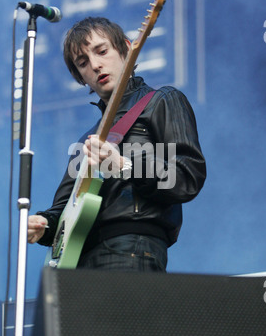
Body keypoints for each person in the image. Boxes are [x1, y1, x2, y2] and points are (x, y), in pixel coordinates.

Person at [27, 16, 206, 272]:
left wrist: (126, 166)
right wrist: (42, 224)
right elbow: (65, 209)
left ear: (124, 47)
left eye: (102, 51)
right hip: (80, 262)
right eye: (83, 63)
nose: (96, 65)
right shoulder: (87, 140)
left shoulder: (161, 101)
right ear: (81, 77)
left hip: (132, 248)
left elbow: (187, 177)